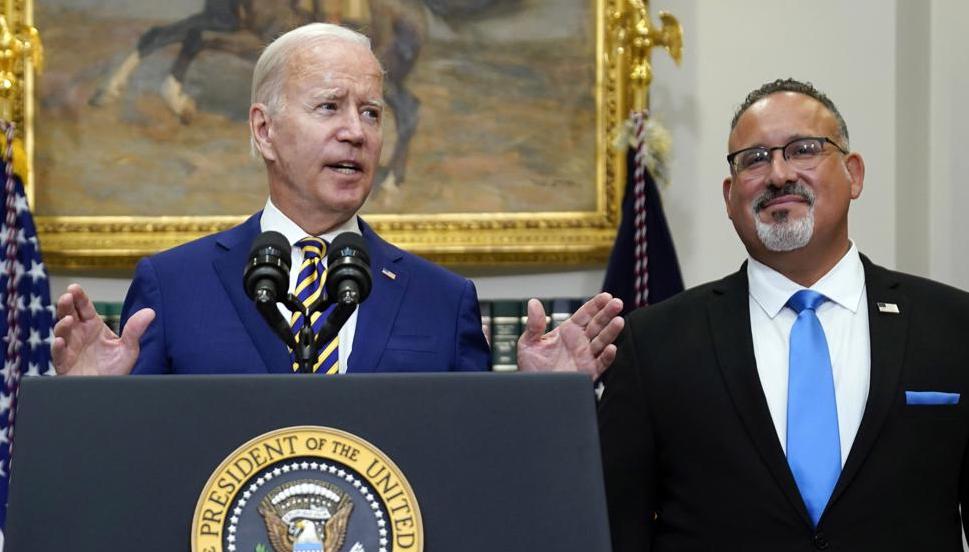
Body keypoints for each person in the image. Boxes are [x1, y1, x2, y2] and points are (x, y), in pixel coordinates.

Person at [51, 23, 624, 378]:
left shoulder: (443, 302)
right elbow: (129, 473)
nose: (357, 131)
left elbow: (470, 474)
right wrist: (86, 403)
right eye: (329, 106)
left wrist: (548, 398)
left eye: (371, 112)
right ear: (264, 130)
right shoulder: (173, 288)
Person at [598, 78, 969, 551]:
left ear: (854, 174)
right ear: (730, 197)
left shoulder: (955, 327)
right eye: (754, 159)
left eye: (803, 150)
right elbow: (613, 531)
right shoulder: (651, 343)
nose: (778, 175)